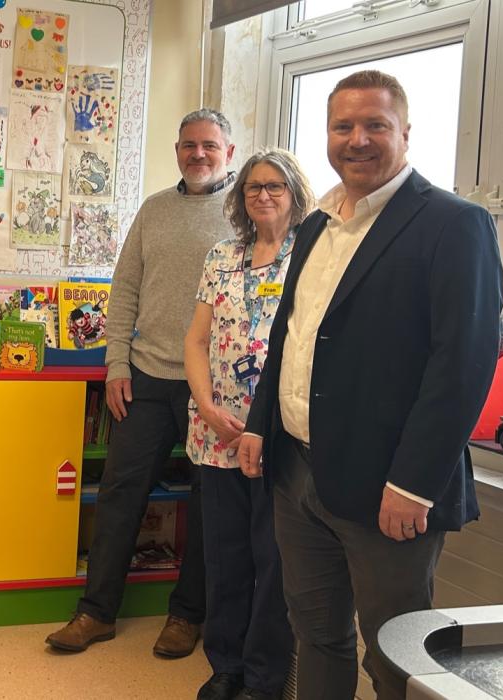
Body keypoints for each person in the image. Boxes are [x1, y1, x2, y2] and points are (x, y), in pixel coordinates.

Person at [237, 70, 502, 697]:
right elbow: (292, 336)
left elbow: (462, 366)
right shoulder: (315, 226)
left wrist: (414, 483)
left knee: (394, 655)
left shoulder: (454, 223)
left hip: (389, 486)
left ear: (405, 133)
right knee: (316, 634)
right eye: (343, 126)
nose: (357, 139)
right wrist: (259, 425)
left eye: (375, 125)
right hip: (297, 472)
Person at [46, 109, 236, 657]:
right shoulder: (154, 210)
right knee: (119, 493)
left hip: (213, 387)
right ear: (176, 151)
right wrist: (117, 365)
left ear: (228, 151)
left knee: (207, 504)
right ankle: (95, 612)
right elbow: (124, 289)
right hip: (147, 377)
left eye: (209, 145)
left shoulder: (245, 210)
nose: (198, 154)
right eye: (188, 145)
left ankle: (186, 616)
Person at [184, 148, 312, 700]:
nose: (263, 195)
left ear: (294, 194)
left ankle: (263, 679)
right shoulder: (221, 256)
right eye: (253, 187)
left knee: (273, 561)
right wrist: (208, 407)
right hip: (216, 431)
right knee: (225, 557)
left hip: (279, 437)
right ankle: (227, 666)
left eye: (274, 186)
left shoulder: (310, 258)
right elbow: (195, 340)